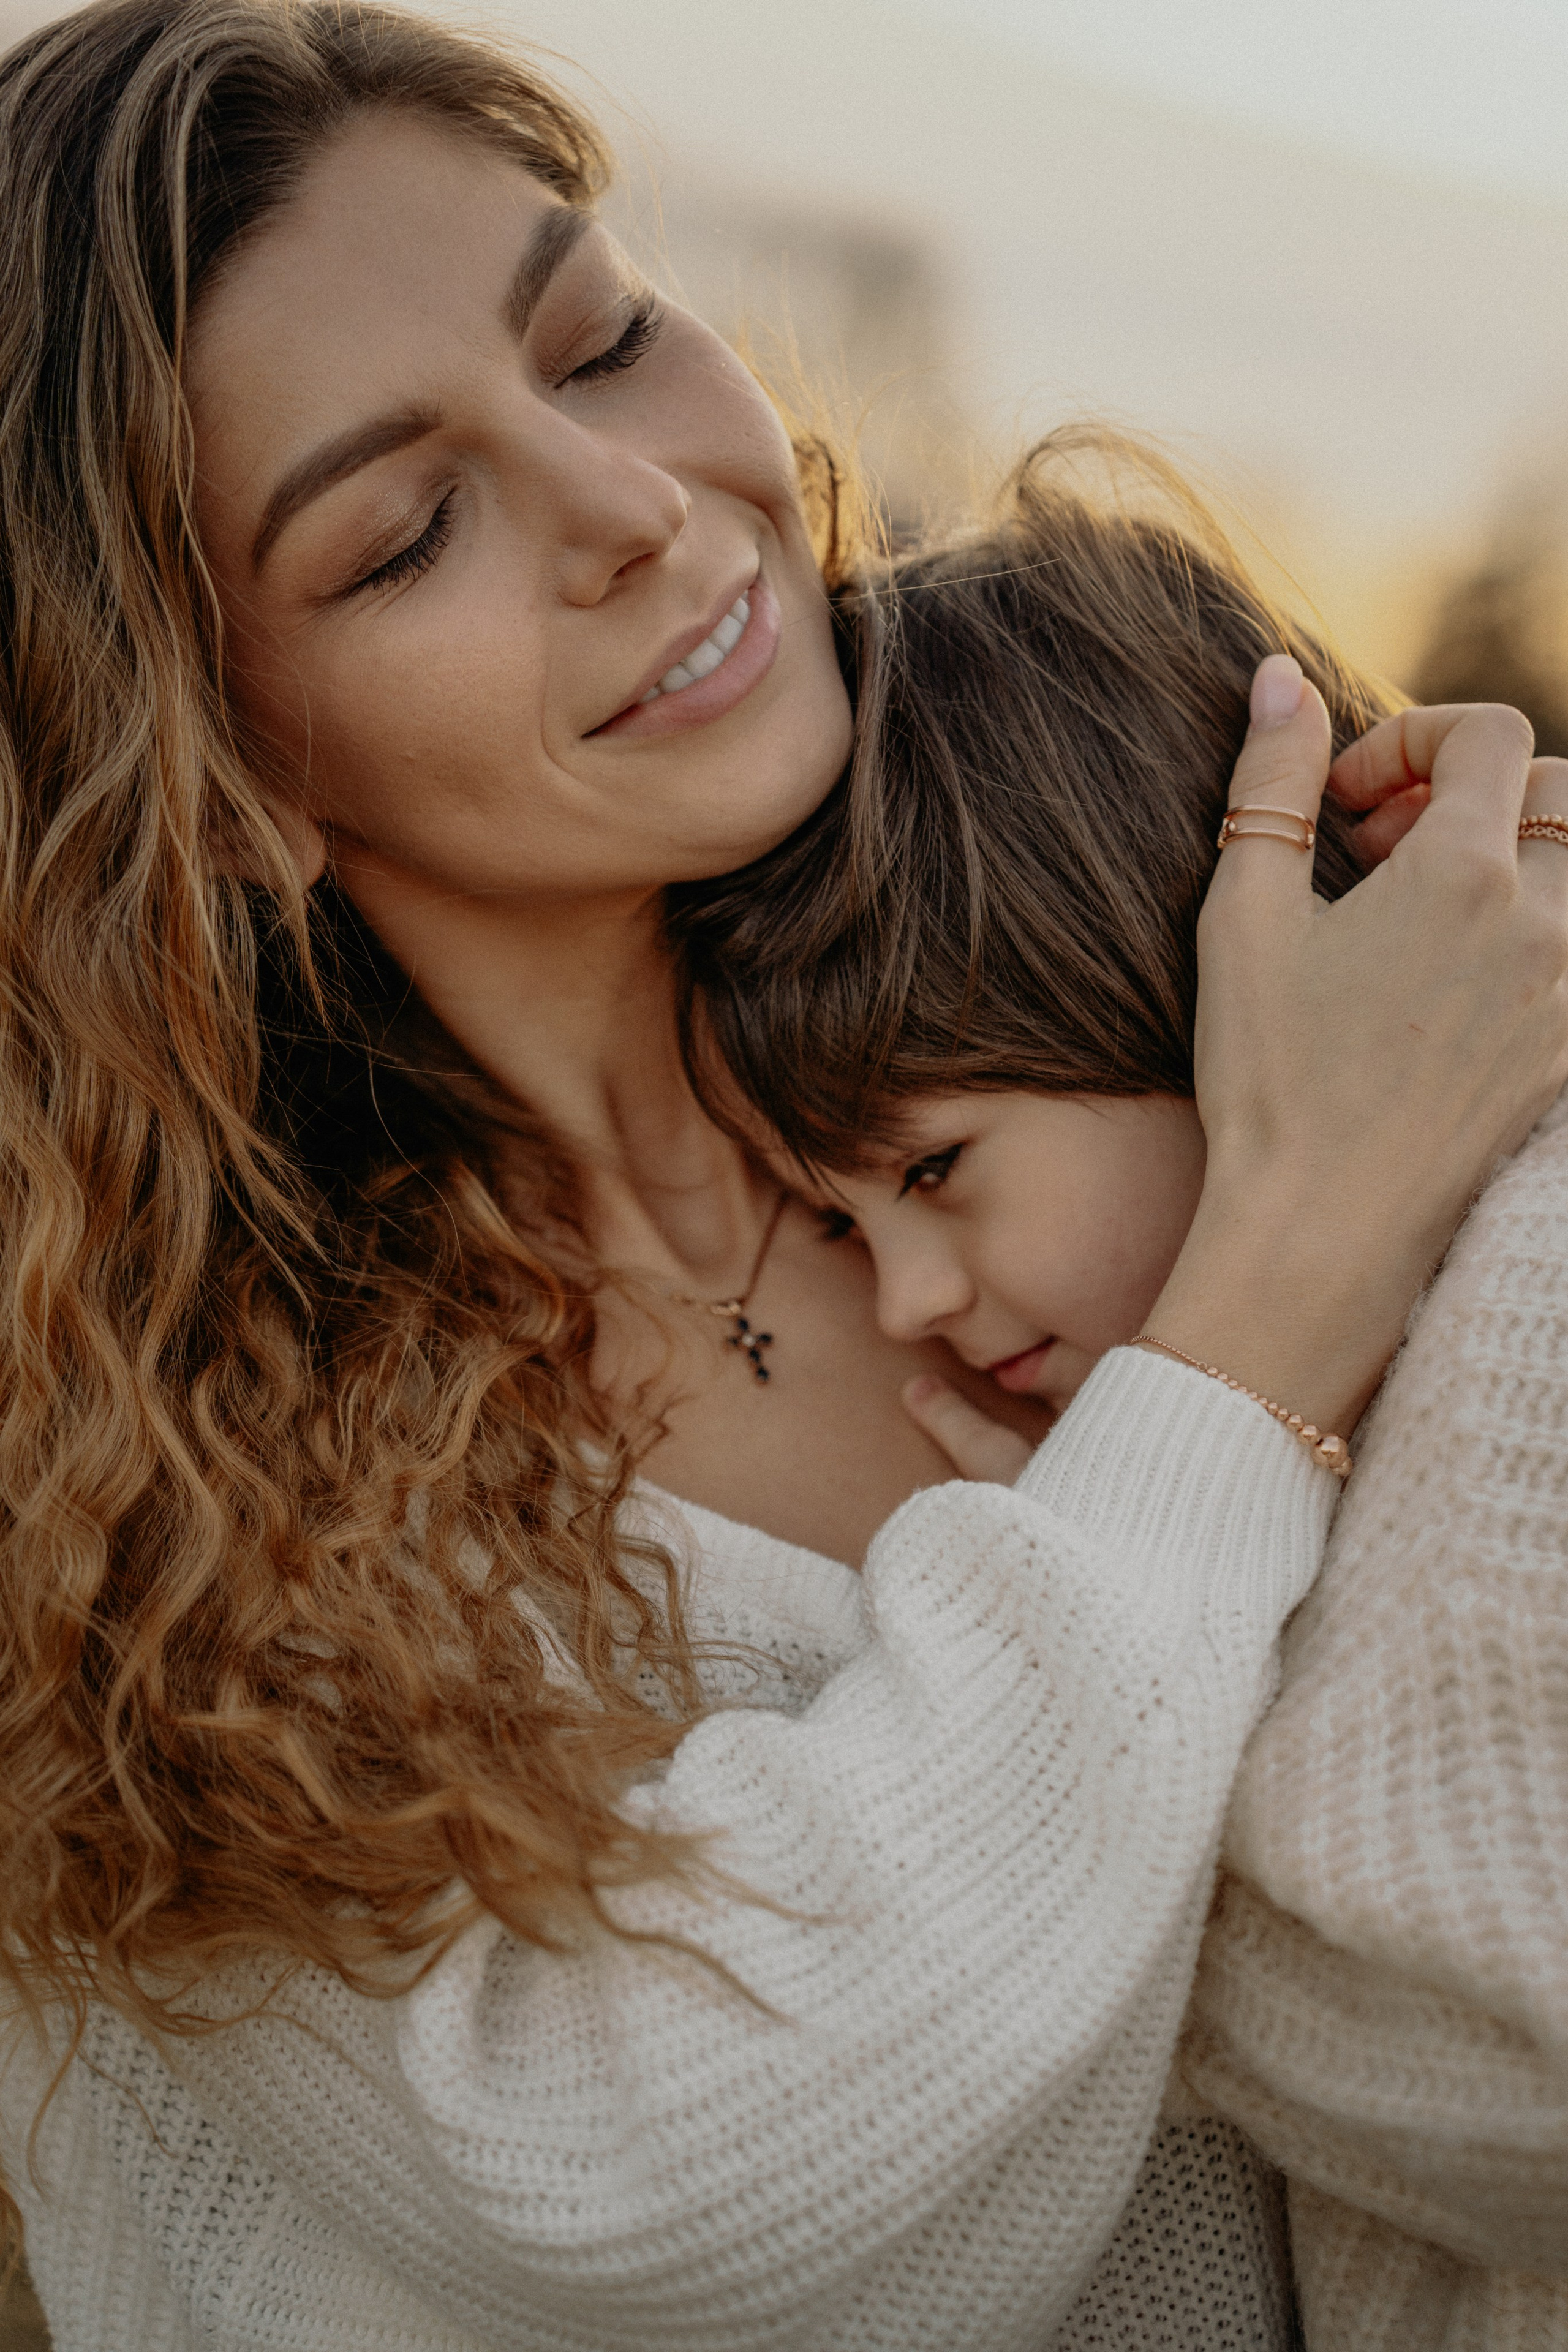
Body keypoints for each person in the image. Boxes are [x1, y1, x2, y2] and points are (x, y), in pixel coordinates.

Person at [0, 6, 1564, 2347]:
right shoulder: (135, 1500)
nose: (633, 503)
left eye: (602, 342)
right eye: (408, 530)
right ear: (204, 772)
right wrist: (1272, 1313)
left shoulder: (1161, 1029)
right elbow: (670, 2192)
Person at [677, 445, 1568, 2350]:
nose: (909, 1302)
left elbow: (1531, 2070)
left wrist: (1117, 1825)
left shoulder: (1534, 1289)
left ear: (1200, 977)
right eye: (835, 1225)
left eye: (936, 1168)